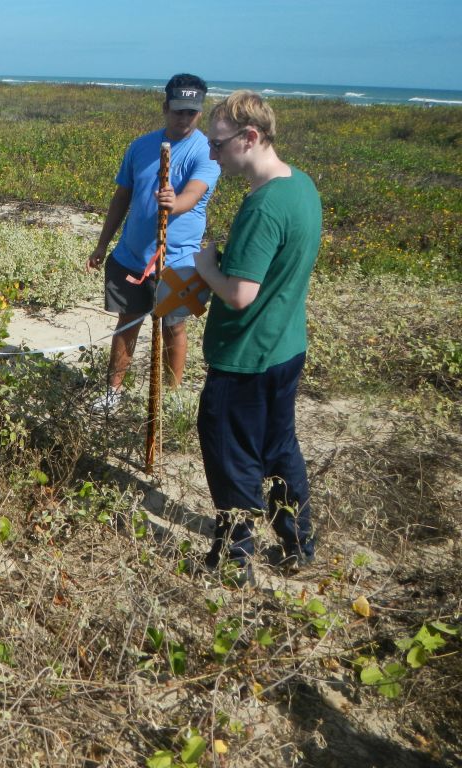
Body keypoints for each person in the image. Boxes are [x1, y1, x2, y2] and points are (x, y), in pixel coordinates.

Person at [193, 91, 321, 580]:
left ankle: (233, 560)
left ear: (250, 137)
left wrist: (206, 267)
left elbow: (241, 294)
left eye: (218, 143)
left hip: (245, 356)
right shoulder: (302, 187)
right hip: (286, 347)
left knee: (232, 456)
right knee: (279, 447)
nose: (212, 153)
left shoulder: (263, 208)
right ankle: (298, 545)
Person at [87, 74, 220, 411]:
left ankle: (170, 399)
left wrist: (173, 203)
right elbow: (122, 197)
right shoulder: (141, 146)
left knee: (173, 327)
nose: (184, 118)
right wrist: (103, 244)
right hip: (131, 256)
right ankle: (113, 392)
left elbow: (193, 195)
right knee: (127, 323)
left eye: (191, 112)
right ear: (165, 108)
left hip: (179, 261)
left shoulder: (207, 152)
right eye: (178, 111)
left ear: (200, 113)